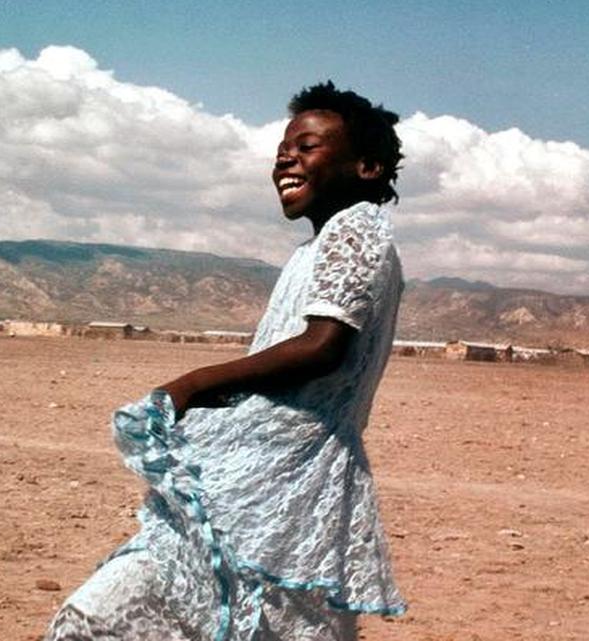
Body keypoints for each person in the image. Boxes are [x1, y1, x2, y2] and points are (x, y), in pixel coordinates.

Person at [44, 82, 406, 641]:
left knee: (106, 612)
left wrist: (195, 382)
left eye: (307, 147)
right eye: (284, 147)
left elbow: (323, 343)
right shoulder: (319, 245)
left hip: (290, 467)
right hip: (282, 469)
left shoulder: (355, 229)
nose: (286, 157)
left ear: (367, 166)